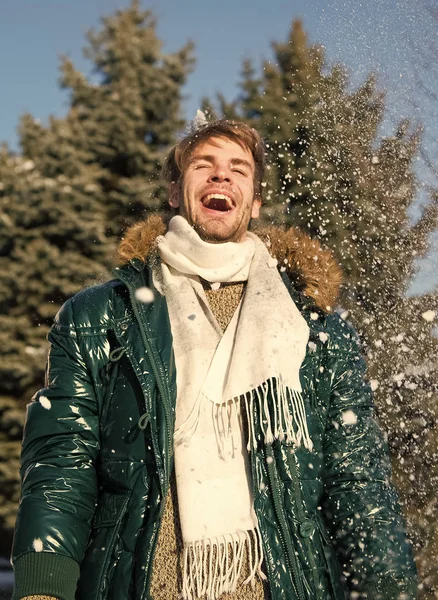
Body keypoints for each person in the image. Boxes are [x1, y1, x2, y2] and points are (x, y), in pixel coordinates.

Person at [12, 119, 417, 600]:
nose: (220, 177)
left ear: (257, 200)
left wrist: (390, 586)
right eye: (203, 165)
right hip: (144, 585)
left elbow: (358, 478)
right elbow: (63, 458)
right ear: (174, 191)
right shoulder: (100, 315)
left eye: (237, 169)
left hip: (280, 585)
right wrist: (43, 586)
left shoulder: (316, 330)